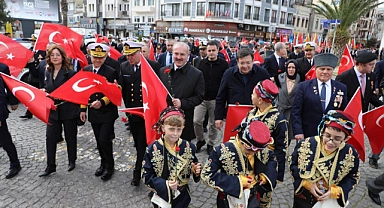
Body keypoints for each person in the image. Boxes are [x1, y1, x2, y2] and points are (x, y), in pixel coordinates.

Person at [290, 110, 360, 208]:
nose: (330, 142)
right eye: (327, 136)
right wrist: (305, 183)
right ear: (322, 131)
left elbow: (353, 176)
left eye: (337, 139)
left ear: (346, 139)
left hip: (330, 201)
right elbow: (293, 164)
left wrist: (337, 191)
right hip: (303, 197)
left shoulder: (350, 153)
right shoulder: (306, 144)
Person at [201, 120, 277, 208]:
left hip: (255, 197)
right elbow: (206, 175)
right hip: (230, 199)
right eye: (249, 150)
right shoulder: (221, 151)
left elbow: (272, 158)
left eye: (257, 151)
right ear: (241, 140)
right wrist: (238, 182)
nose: (253, 153)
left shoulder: (260, 148)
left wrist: (265, 176)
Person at [118, 41, 160, 186]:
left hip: (148, 112)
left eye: (132, 55)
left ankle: (138, 172)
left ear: (139, 53)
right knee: (138, 143)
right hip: (133, 112)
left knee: (145, 143)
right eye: (127, 56)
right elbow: (122, 89)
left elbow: (157, 89)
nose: (129, 58)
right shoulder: (124, 67)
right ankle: (143, 166)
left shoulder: (152, 66)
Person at [142, 107, 201, 208]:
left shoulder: (189, 146)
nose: (175, 133)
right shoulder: (152, 149)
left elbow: (193, 164)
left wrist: (195, 170)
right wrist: (165, 184)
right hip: (162, 195)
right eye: (171, 129)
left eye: (179, 129)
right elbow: (146, 176)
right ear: (163, 127)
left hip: (183, 195)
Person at [243, 79, 288, 207]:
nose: (251, 96)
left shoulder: (279, 120)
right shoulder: (252, 113)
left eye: (253, 94)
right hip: (247, 161)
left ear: (260, 100)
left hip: (264, 165)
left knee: (262, 199)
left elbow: (282, 149)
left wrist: (272, 175)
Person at [336, 50, 383, 169]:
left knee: (355, 143)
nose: (373, 67)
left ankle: (349, 164)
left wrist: (381, 105)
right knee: (343, 142)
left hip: (361, 118)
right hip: (347, 118)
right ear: (362, 64)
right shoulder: (344, 77)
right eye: (371, 65)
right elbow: (340, 99)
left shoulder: (370, 76)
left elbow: (369, 96)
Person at [79, 43, 119, 181]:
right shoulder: (86, 70)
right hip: (93, 113)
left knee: (104, 140)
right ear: (90, 56)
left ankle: (110, 166)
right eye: (95, 57)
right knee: (98, 141)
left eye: (100, 58)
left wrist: (102, 102)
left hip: (107, 112)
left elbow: (115, 92)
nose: (97, 60)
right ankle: (103, 163)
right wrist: (83, 109)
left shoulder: (111, 71)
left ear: (105, 57)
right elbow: (83, 91)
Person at [38, 45, 79, 177]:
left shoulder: (70, 73)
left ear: (62, 57)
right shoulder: (48, 71)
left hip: (68, 110)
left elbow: (75, 92)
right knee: (50, 138)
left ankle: (72, 160)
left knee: (70, 137)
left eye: (57, 55)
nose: (55, 57)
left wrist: (61, 95)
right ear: (49, 57)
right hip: (53, 111)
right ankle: (50, 165)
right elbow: (47, 87)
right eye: (52, 55)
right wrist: (45, 91)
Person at [291, 53, 348, 140]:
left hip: (331, 135)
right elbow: (296, 110)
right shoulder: (304, 86)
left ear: (332, 70)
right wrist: (298, 131)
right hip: (308, 132)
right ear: (316, 69)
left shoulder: (341, 87)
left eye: (328, 69)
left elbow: (343, 111)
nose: (325, 72)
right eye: (322, 69)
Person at [158, 42, 205, 142]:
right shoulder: (163, 71)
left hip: (185, 122)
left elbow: (199, 97)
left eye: (182, 54)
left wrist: (182, 103)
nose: (179, 57)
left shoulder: (197, 74)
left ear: (188, 55)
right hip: (165, 121)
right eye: (176, 54)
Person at [215, 48, 270, 131]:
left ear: (253, 60)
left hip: (256, 115)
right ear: (237, 61)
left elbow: (269, 96)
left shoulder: (263, 74)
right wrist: (218, 117)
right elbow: (221, 97)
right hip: (234, 115)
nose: (245, 66)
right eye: (242, 63)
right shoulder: (228, 74)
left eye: (248, 63)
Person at [194, 41, 228, 154]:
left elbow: (225, 83)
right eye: (209, 50)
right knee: (197, 120)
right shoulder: (201, 63)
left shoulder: (223, 64)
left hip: (216, 99)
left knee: (213, 123)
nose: (211, 53)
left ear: (218, 50)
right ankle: (200, 140)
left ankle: (211, 143)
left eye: (213, 50)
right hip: (201, 98)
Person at [0, 64, 21, 179]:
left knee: (5, 140)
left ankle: (15, 164)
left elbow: (3, 92)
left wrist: (13, 102)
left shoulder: (2, 68)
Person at [20, 34, 46, 119]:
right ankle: (29, 113)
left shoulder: (43, 52)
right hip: (31, 77)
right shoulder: (30, 51)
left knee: (39, 97)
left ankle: (39, 111)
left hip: (40, 78)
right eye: (32, 41)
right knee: (31, 96)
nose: (32, 43)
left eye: (34, 41)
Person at [275, 59, 301, 143]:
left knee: (289, 136)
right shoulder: (279, 78)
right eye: (289, 67)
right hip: (280, 110)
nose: (291, 69)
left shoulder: (301, 80)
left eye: (293, 67)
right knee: (278, 134)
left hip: (292, 112)